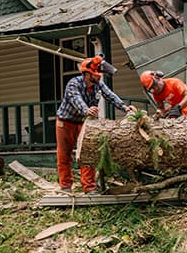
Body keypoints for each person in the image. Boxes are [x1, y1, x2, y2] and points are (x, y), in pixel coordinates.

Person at [56, 55, 136, 194]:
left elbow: (110, 95)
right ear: (86, 74)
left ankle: (89, 187)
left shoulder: (98, 84)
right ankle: (65, 186)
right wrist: (86, 110)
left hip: (84, 122)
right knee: (64, 154)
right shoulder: (74, 83)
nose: (98, 77)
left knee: (88, 153)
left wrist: (124, 107)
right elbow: (77, 100)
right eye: (95, 75)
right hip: (65, 122)